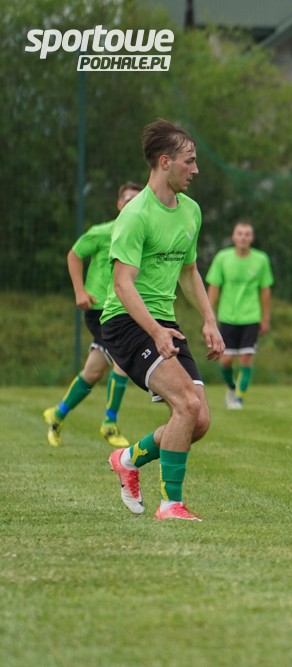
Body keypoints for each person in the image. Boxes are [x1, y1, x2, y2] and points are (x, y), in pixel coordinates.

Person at [101, 118, 224, 521]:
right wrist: (154, 331)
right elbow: (123, 285)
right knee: (186, 403)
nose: (196, 169)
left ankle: (127, 459)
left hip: (162, 321)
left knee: (198, 420)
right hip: (127, 322)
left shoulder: (191, 211)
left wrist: (209, 320)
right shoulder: (135, 215)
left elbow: (189, 272)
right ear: (165, 162)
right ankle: (171, 504)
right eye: (189, 161)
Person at [43, 182, 142, 448]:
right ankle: (109, 424)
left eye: (138, 200)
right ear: (119, 204)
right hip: (100, 310)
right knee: (123, 361)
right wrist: (80, 291)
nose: (132, 204)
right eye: (128, 200)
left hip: (124, 309)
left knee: (93, 371)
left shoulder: (142, 236)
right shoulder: (102, 232)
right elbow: (74, 255)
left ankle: (57, 414)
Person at [206, 221, 274, 410]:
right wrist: (208, 314)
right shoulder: (222, 258)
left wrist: (265, 318)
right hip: (227, 317)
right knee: (226, 360)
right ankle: (231, 387)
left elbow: (265, 290)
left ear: (252, 238)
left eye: (247, 234)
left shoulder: (261, 259)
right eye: (240, 233)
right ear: (234, 237)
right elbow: (214, 287)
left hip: (251, 317)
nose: (243, 237)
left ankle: (238, 399)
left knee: (246, 358)